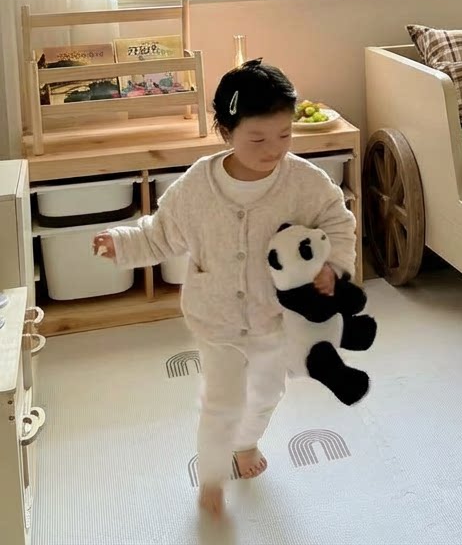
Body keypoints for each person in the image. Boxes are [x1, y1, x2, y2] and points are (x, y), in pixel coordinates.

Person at [92, 59, 356, 519]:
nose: (274, 149)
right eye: (257, 138)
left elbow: (338, 220)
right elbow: (161, 234)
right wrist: (121, 242)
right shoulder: (198, 185)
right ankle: (212, 477)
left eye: (284, 135)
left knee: (267, 393)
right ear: (226, 131)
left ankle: (247, 441)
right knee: (221, 401)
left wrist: (332, 266)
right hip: (215, 319)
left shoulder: (304, 182)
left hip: (274, 318)